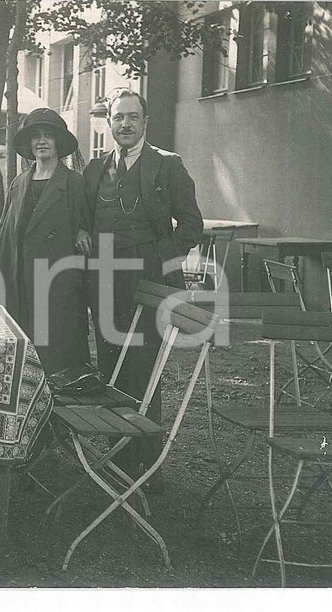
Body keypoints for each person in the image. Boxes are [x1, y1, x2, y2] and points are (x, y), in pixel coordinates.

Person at [83, 89, 203, 478]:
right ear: (108, 124)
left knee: (145, 370)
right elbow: (84, 219)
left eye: (133, 117)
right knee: (111, 367)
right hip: (103, 281)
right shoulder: (96, 169)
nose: (125, 125)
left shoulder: (167, 165)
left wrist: (157, 261)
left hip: (150, 281)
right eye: (118, 118)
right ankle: (118, 459)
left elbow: (191, 227)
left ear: (145, 123)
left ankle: (148, 467)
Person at [0, 108, 92, 375]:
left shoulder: (73, 183)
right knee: (20, 354)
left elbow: (87, 223)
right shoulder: (18, 183)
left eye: (49, 135)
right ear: (29, 143)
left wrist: (82, 232)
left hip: (56, 281)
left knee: (54, 355)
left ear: (59, 143)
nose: (42, 141)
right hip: (17, 278)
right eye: (36, 136)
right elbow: (4, 232)